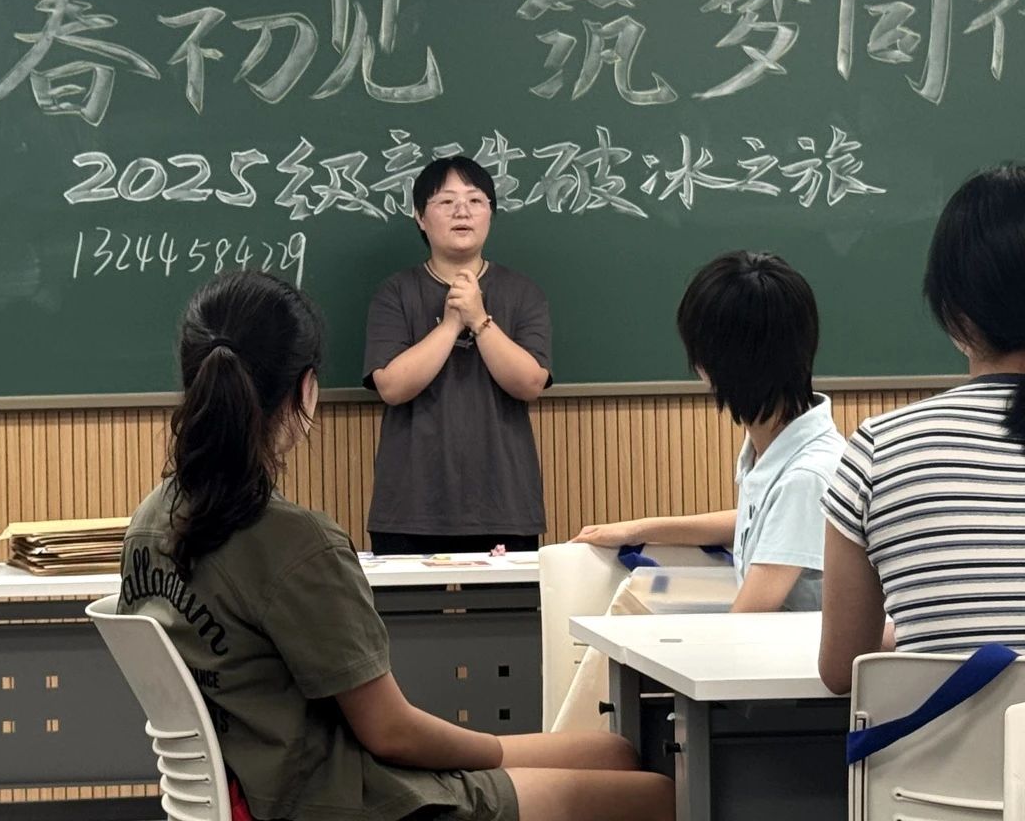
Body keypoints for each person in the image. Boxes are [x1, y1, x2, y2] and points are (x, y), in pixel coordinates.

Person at [120, 271, 672, 821]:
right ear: (306, 389)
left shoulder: (148, 521)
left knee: (613, 752)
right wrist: (496, 753)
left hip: (267, 787)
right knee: (659, 795)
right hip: (353, 800)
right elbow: (392, 734)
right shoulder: (295, 541)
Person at [820, 166, 1025, 694]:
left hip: (937, 752)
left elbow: (843, 669)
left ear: (955, 315)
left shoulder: (881, 450)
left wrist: (928, 635)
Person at [574, 250, 845, 613]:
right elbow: (759, 521)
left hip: (789, 650)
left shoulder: (807, 474)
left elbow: (747, 618)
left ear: (712, 365)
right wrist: (638, 529)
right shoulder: (776, 445)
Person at [363, 157, 551, 555]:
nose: (462, 211)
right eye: (446, 201)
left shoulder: (523, 292)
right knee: (406, 601)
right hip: (410, 506)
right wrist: (451, 324)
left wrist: (479, 319)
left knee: (508, 601)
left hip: (504, 503)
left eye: (475, 200)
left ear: (490, 214)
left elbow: (530, 383)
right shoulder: (394, 293)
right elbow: (391, 386)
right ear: (420, 217)